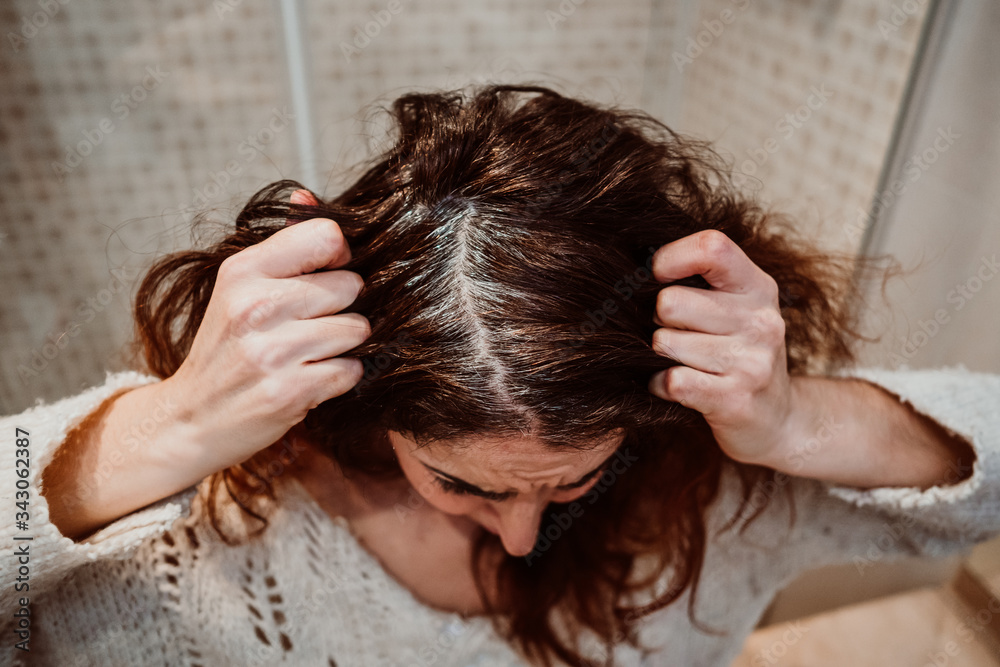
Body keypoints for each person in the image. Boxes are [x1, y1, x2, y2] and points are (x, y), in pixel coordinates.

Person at [1, 83, 998, 667]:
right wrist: (175, 424)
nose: (523, 536)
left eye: (575, 478)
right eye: (460, 480)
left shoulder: (708, 491)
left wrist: (794, 423)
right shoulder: (209, 532)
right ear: (363, 399)